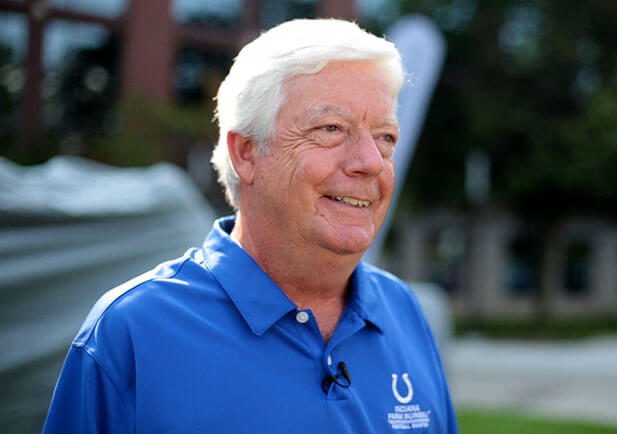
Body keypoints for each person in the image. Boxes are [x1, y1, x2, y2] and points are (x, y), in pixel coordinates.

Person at [43, 18, 458, 434]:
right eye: (331, 129)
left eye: (386, 137)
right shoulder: (131, 332)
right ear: (246, 154)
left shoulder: (404, 313)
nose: (371, 162)